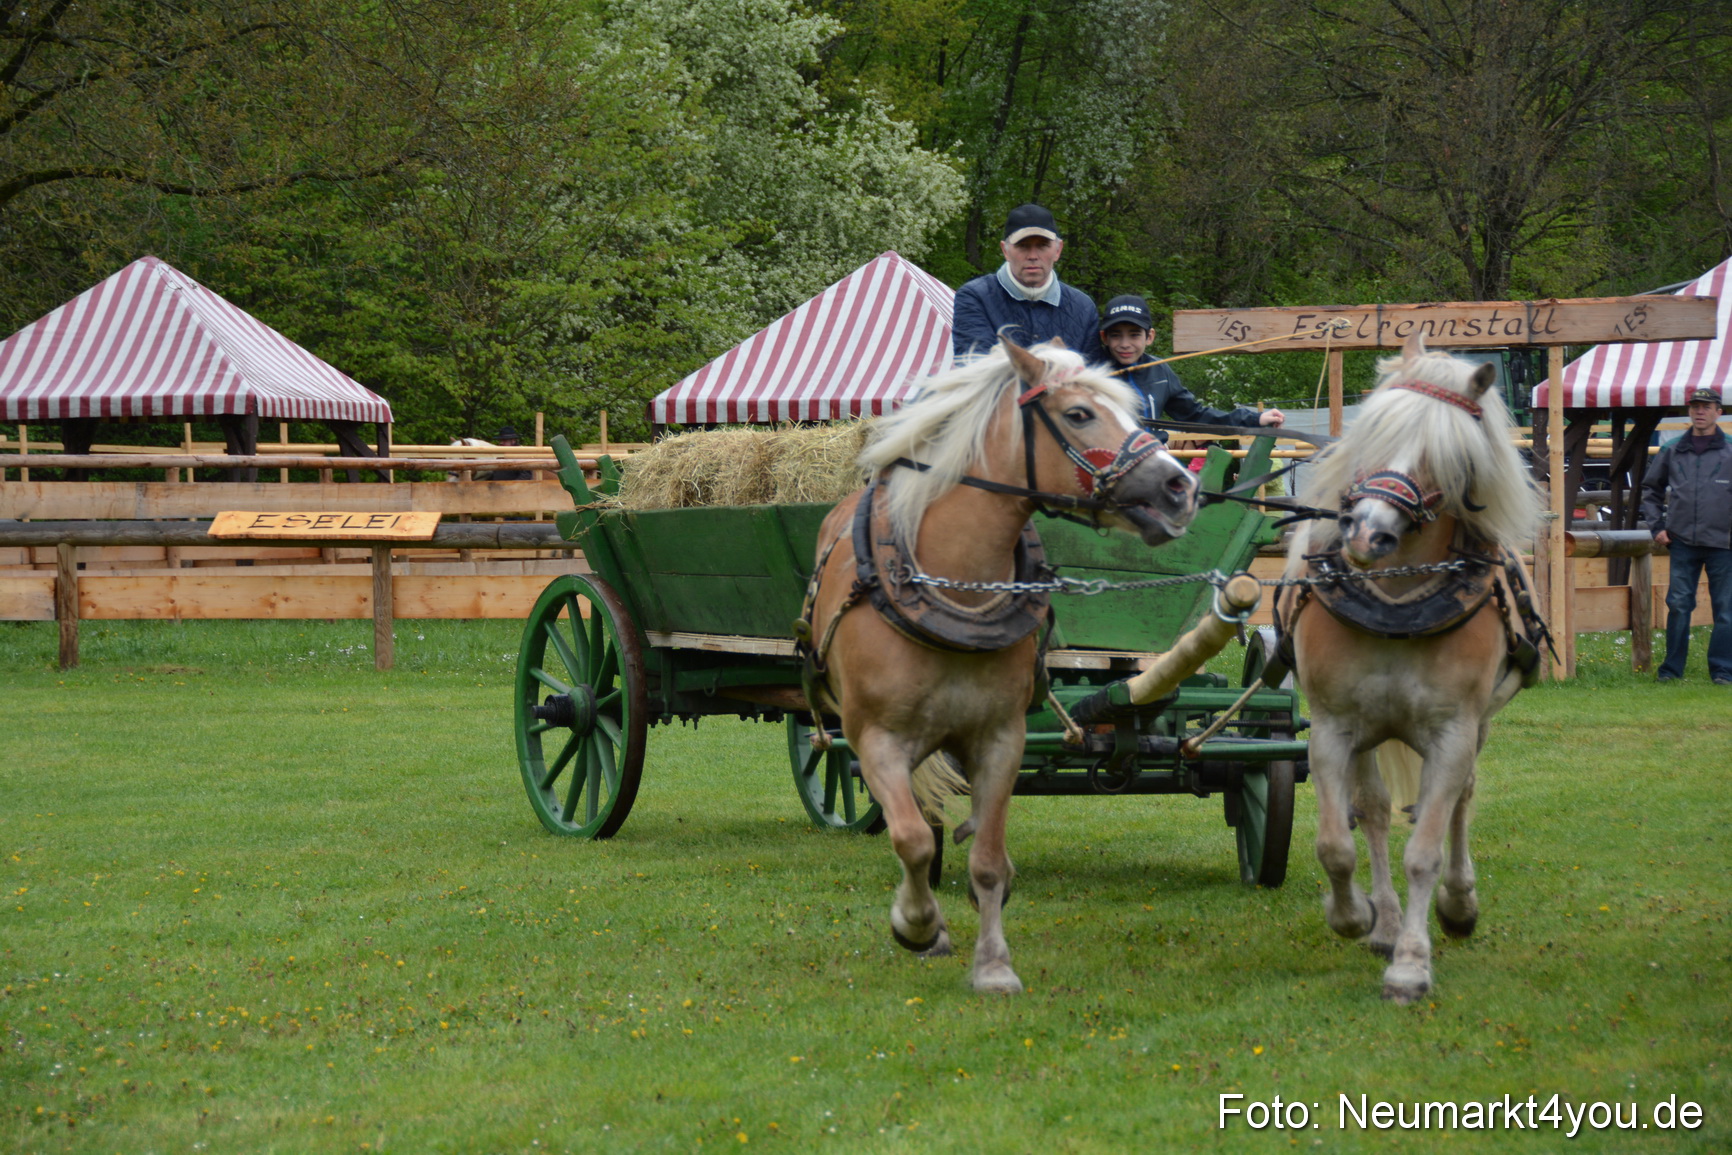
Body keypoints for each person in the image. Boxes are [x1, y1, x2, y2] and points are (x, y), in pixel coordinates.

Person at [1640, 386, 1732, 685]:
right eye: (1694, 406)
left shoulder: (1731, 450)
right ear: (1689, 410)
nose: (1700, 411)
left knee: (1726, 610)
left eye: (1706, 406)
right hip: (1681, 543)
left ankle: (1722, 671)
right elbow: (1650, 490)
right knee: (1678, 606)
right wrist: (1657, 527)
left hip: (1724, 544)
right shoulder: (1673, 450)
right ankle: (1670, 671)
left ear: (1720, 411)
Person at [1097, 295, 1284, 431]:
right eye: (1115, 335)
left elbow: (1195, 415)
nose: (1124, 344)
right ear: (1104, 337)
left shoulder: (1160, 370)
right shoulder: (1092, 373)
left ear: (1150, 337)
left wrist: (1254, 419)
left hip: (1150, 463)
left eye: (1134, 335)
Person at [951, 204, 1102, 361]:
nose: (1032, 256)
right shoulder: (975, 298)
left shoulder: (1083, 307)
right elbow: (975, 368)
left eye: (1042, 246)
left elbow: (1095, 375)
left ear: (1058, 250)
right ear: (1005, 250)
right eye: (1023, 246)